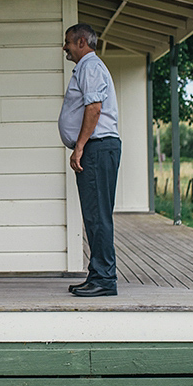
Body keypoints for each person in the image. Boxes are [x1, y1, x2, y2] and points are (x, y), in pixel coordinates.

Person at [58, 24, 120, 297]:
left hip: (96, 148)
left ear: (81, 42)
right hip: (97, 149)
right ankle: (98, 275)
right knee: (95, 216)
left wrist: (80, 146)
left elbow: (94, 107)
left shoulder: (90, 67)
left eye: (68, 42)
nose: (65, 48)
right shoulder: (88, 67)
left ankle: (105, 279)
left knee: (97, 217)